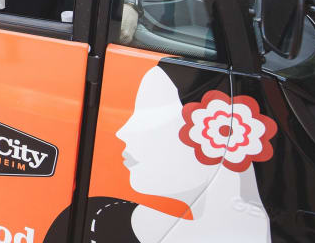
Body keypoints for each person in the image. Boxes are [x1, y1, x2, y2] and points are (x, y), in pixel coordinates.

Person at [43, 63, 277, 242]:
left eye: (148, 113)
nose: (123, 132)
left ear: (219, 134)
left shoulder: (99, 218)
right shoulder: (97, 216)